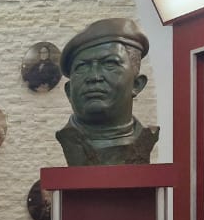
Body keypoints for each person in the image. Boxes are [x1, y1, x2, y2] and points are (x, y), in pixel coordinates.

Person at [55, 18, 159, 165]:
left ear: (136, 84)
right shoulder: (69, 140)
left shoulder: (145, 137)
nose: (94, 77)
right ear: (69, 91)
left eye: (110, 63)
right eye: (82, 67)